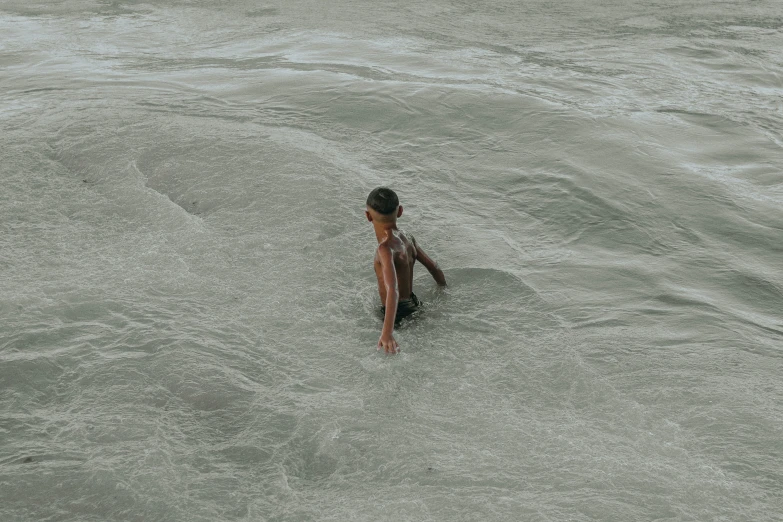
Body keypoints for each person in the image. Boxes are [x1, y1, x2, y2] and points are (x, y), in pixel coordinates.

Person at [365, 187, 446, 354]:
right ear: (400, 211)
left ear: (368, 216)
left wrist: (387, 334)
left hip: (397, 316)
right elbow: (434, 267)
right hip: (415, 304)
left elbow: (392, 291)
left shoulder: (384, 249)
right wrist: (443, 290)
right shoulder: (408, 238)